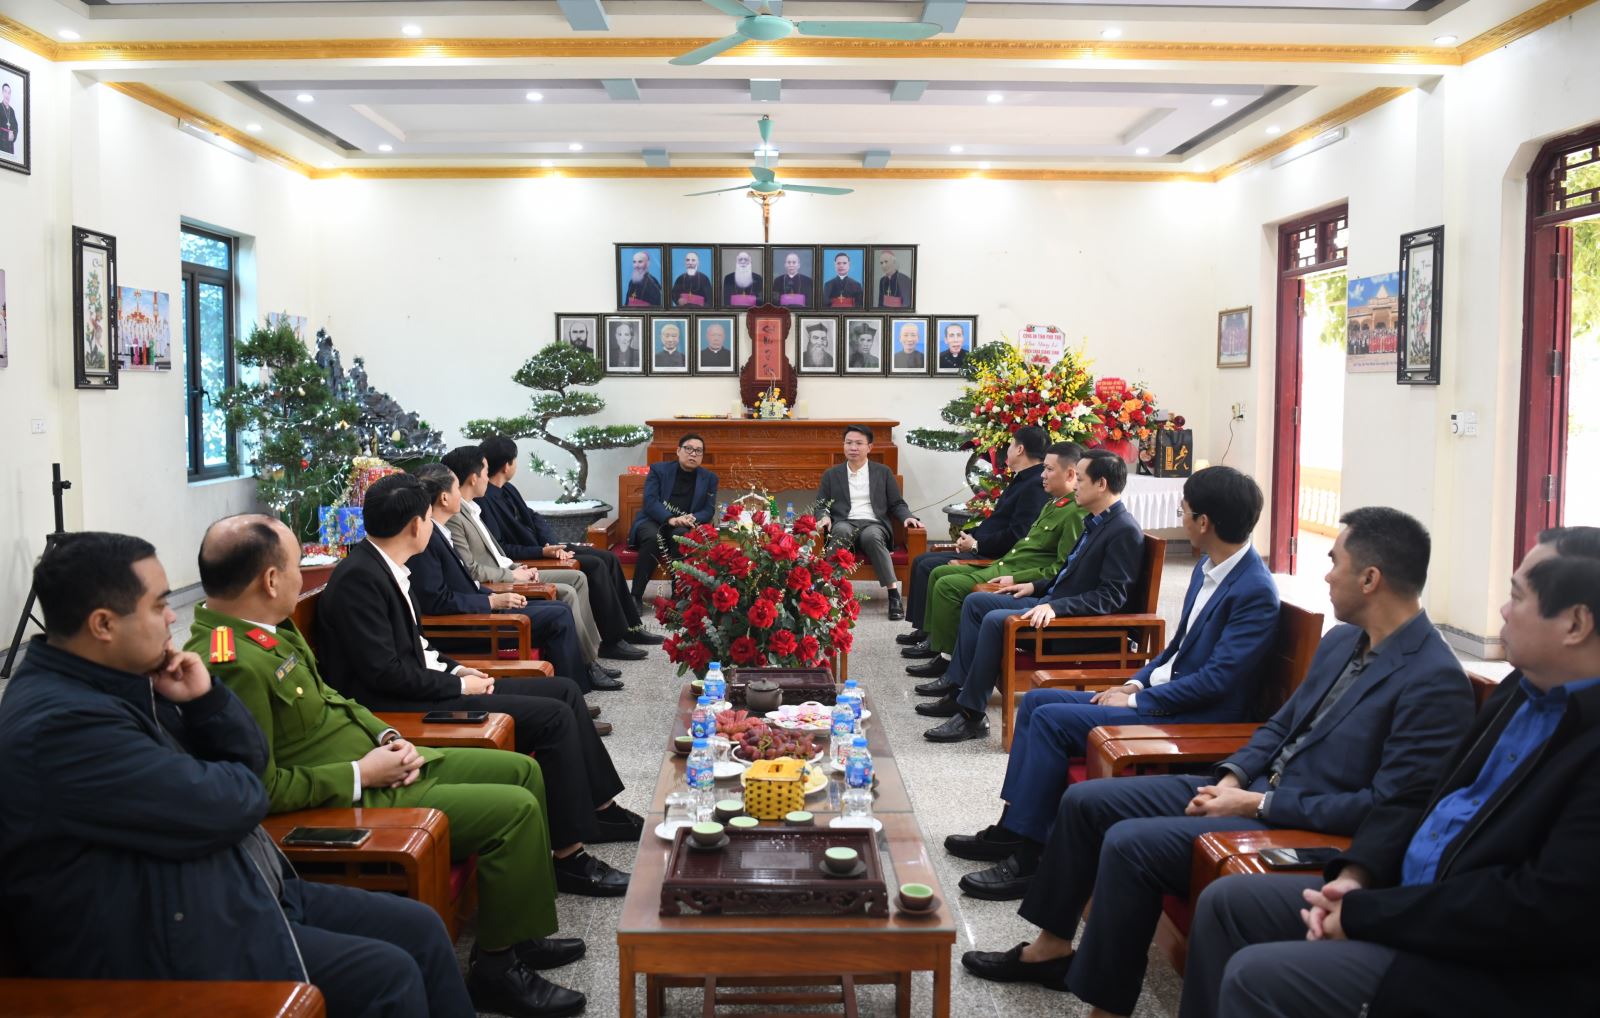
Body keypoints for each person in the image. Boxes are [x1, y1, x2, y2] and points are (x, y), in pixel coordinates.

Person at [962, 508, 1476, 1018]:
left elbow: (1385, 809)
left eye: (1334, 561)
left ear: (1370, 579)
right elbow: (1279, 725)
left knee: (1129, 843)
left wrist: (1257, 804)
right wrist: (1232, 775)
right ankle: (1052, 949)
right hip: (1248, 785)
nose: (1326, 575)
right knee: (1085, 802)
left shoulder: (1434, 681)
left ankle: (1106, 1009)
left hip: (1294, 819)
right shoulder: (1344, 641)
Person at [0, 532, 483, 1018]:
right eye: (159, 605)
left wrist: (206, 700)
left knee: (420, 928)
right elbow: (235, 801)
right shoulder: (64, 728)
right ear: (103, 624)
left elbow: (246, 769)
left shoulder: (125, 682)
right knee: (388, 975)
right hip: (173, 933)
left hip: (234, 888)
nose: (173, 617)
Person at [1179, 525, 1600, 1018]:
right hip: (1401, 892)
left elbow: (1538, 908)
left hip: (1480, 957)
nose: (1504, 611)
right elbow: (1419, 794)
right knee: (1228, 903)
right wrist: (1358, 874)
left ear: (1575, 624)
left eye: (1517, 596)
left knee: (1258, 979)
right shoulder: (1522, 691)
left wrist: (1368, 914)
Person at [190, 515, 636, 908]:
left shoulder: (270, 632)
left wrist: (385, 736)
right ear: (271, 581)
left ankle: (545, 876)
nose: (300, 576)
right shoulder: (229, 663)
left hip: (382, 751)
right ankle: (504, 955)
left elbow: (333, 698)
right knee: (517, 802)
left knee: (524, 770)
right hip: (356, 785)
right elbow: (258, 788)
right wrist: (361, 773)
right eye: (296, 566)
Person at [920, 450, 1148, 743]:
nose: (1075, 486)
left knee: (994, 620)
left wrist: (1056, 606)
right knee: (976, 602)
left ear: (1101, 484)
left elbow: (1111, 597)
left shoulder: (1123, 530)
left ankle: (970, 714)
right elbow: (1069, 572)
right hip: (1053, 604)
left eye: (1080, 479)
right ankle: (959, 689)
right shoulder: (1098, 520)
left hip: (1077, 627)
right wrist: (1035, 586)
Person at [412, 460, 622, 693]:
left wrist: (494, 595)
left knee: (560, 608)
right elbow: (437, 600)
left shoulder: (439, 532)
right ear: (444, 498)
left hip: (477, 609)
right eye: (455, 488)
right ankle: (575, 691)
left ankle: (574, 687)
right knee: (558, 616)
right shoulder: (429, 540)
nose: (459, 494)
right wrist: (491, 601)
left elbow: (465, 582)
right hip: (467, 625)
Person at [905, 439, 1084, 673]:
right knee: (939, 572)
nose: (1043, 475)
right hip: (1006, 564)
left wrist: (1020, 579)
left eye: (1049, 469)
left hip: (1016, 574)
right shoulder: (1054, 504)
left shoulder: (1074, 513)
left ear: (1070, 474)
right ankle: (938, 643)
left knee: (948, 585)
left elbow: (1060, 567)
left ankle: (947, 657)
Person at [473, 435, 660, 650]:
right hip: (530, 556)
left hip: (545, 548)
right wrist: (542, 551)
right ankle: (613, 640)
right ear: (507, 465)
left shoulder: (508, 488)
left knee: (608, 558)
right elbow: (501, 548)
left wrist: (553, 545)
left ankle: (632, 628)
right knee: (596, 565)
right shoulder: (485, 500)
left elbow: (534, 517)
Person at [901, 426, 1051, 647]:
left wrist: (977, 544)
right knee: (922, 560)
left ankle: (933, 636)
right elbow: (998, 520)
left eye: (1010, 445)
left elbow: (1018, 533)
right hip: (984, 546)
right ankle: (925, 628)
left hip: (997, 555)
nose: (1007, 449)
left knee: (928, 565)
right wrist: (971, 536)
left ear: (1020, 449)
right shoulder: (1023, 479)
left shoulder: (1034, 485)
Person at [816, 425, 923, 619]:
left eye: (859, 443)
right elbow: (821, 505)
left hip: (874, 523)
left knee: (872, 536)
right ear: (843, 445)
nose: (853, 447)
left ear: (869, 447)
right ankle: (825, 592)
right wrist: (823, 516)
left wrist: (908, 516)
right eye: (849, 443)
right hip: (845, 521)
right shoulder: (831, 474)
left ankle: (893, 595)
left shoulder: (883, 472)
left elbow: (896, 503)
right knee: (840, 531)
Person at [629, 434, 718, 608]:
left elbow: (708, 509)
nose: (693, 454)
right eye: (688, 449)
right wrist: (670, 518)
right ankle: (636, 595)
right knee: (654, 538)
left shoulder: (709, 478)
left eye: (698, 451)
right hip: (653, 520)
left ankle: (679, 596)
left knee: (682, 538)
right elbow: (650, 501)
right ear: (678, 451)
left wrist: (693, 518)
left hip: (682, 524)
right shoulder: (659, 470)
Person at [0, 83, 15, 155]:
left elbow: (15, 127)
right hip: (1, 145)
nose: (7, 95)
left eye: (9, 93)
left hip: (10, 147)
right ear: (2, 93)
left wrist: (13, 135)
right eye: (5, 92)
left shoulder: (12, 111)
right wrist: (6, 135)